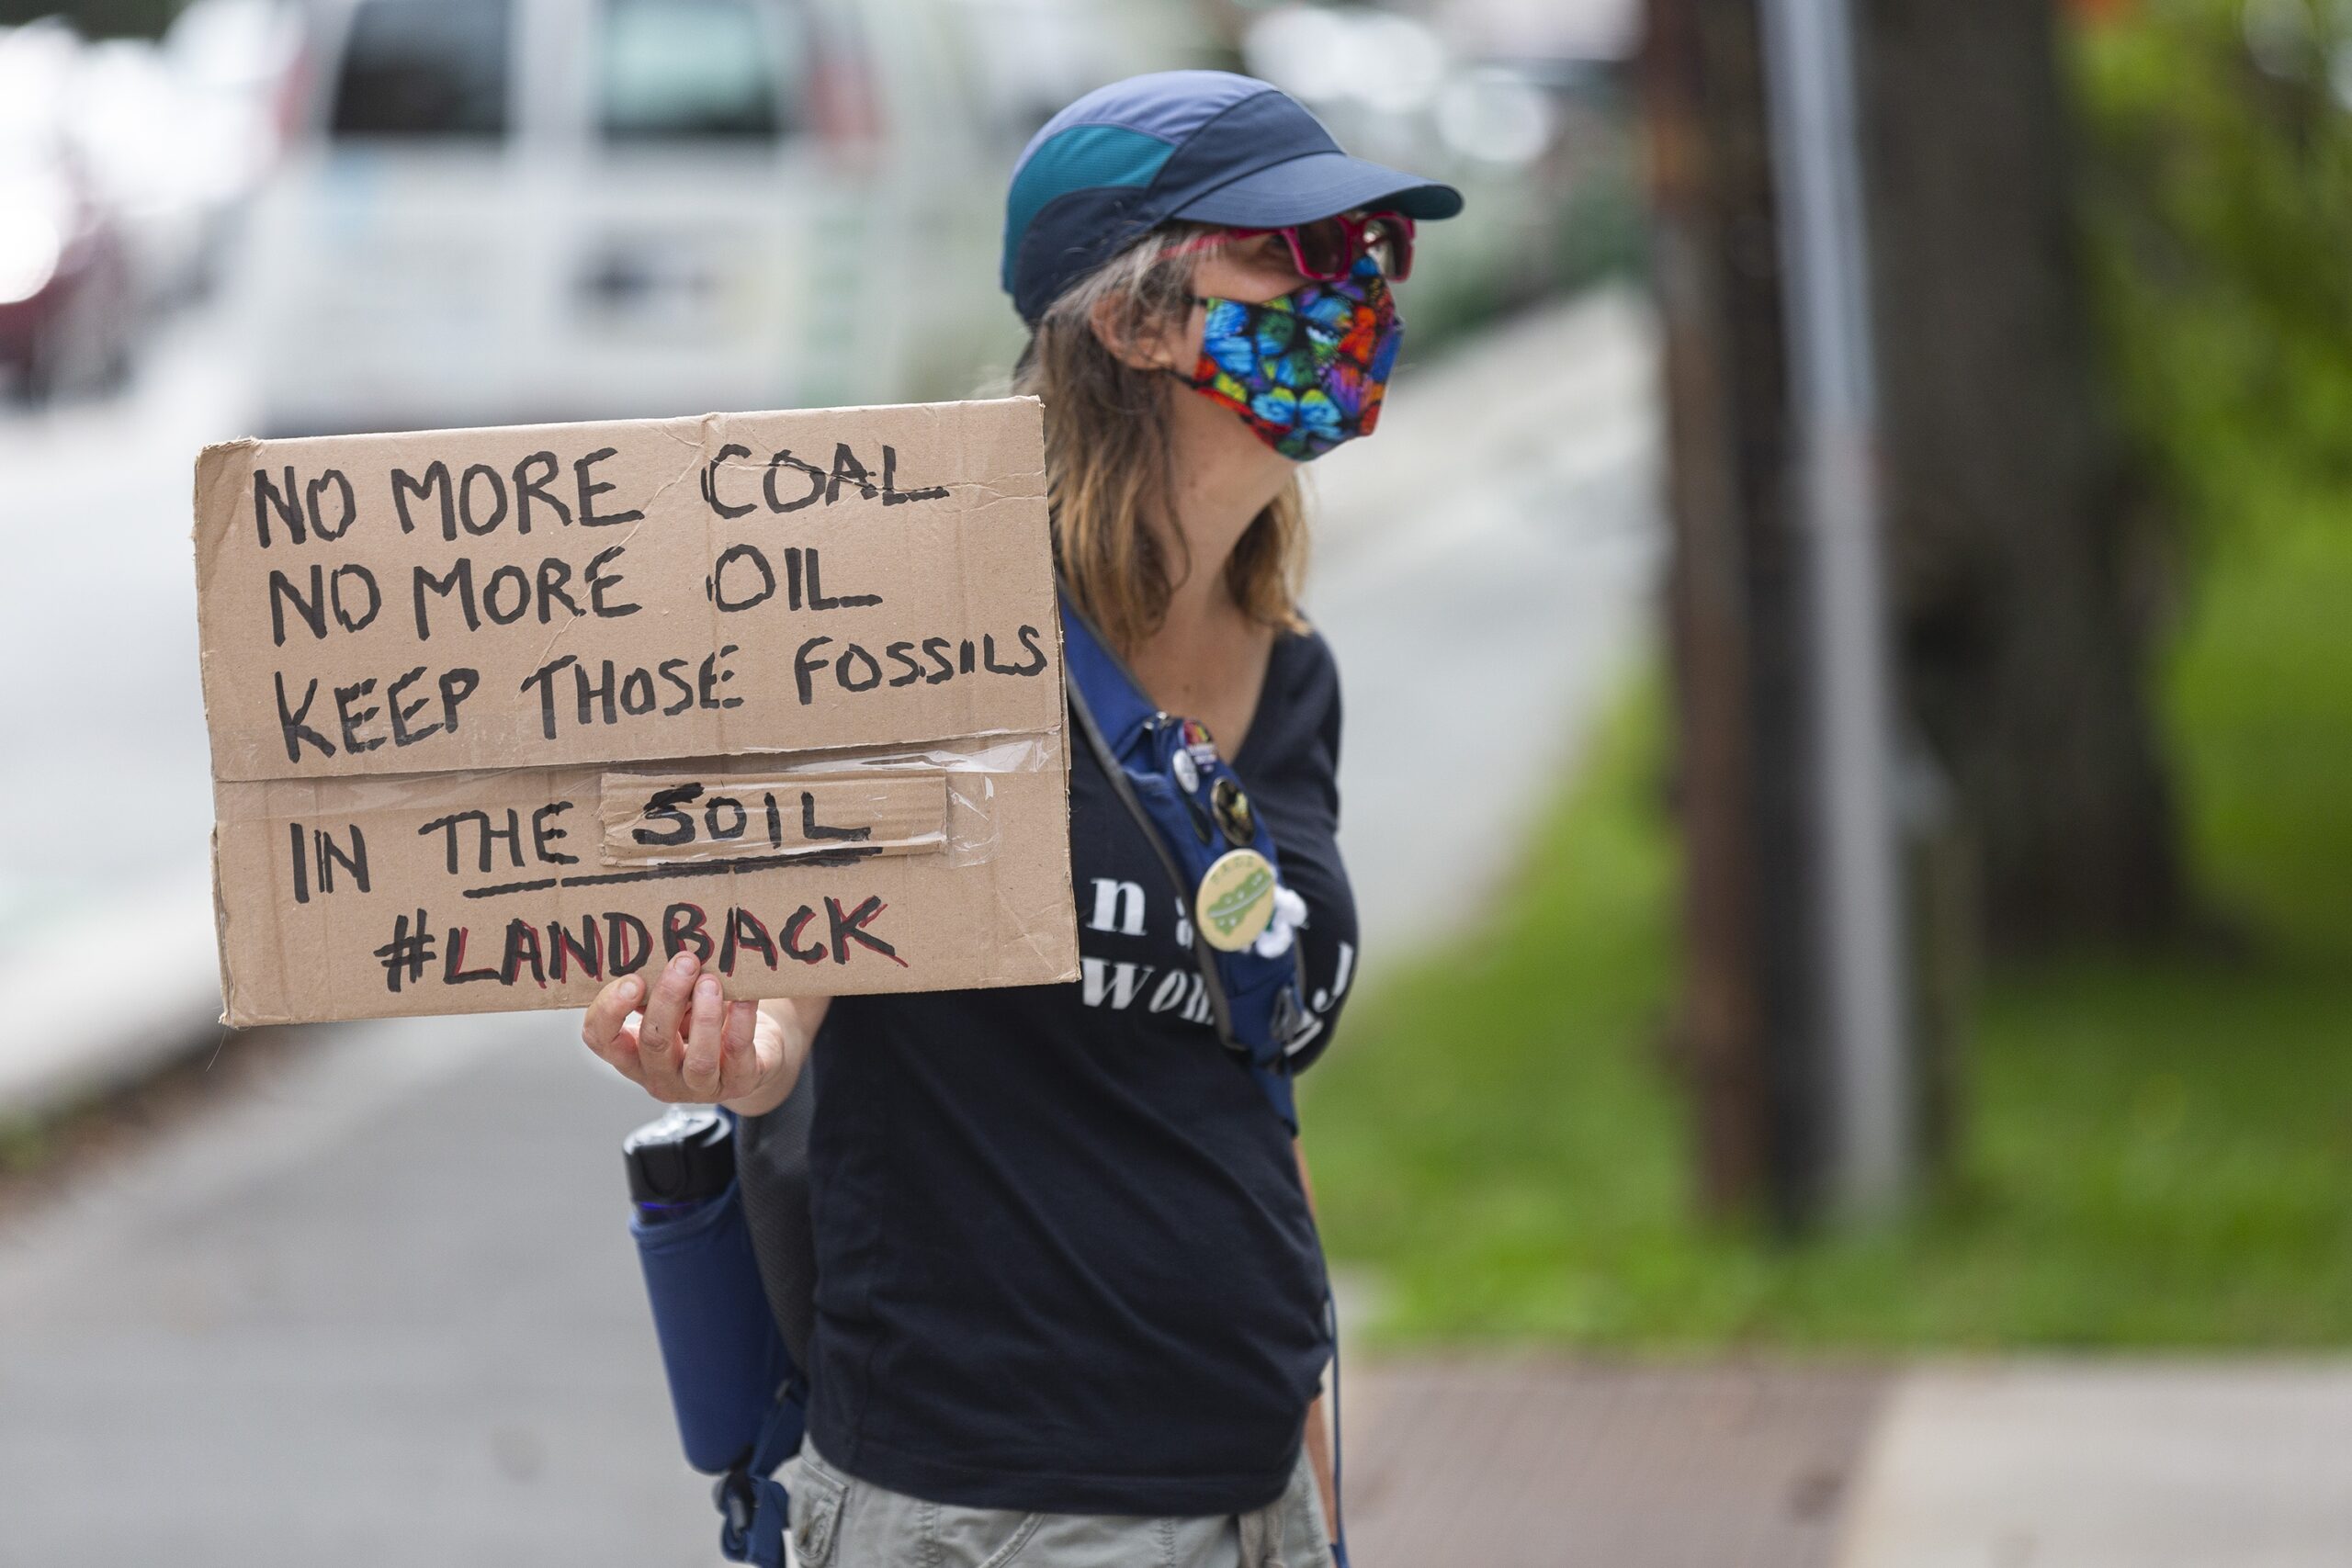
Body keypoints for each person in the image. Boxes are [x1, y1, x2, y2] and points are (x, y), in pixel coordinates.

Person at [580, 70, 1460, 1568]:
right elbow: (786, 993)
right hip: (989, 1514)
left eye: (1379, 248)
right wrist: (734, 1046)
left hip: (1251, 1495)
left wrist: (1307, 1481)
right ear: (1134, 320)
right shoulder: (914, 629)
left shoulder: (1287, 670)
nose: (1358, 288)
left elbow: (1237, 1079)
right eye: (1302, 253)